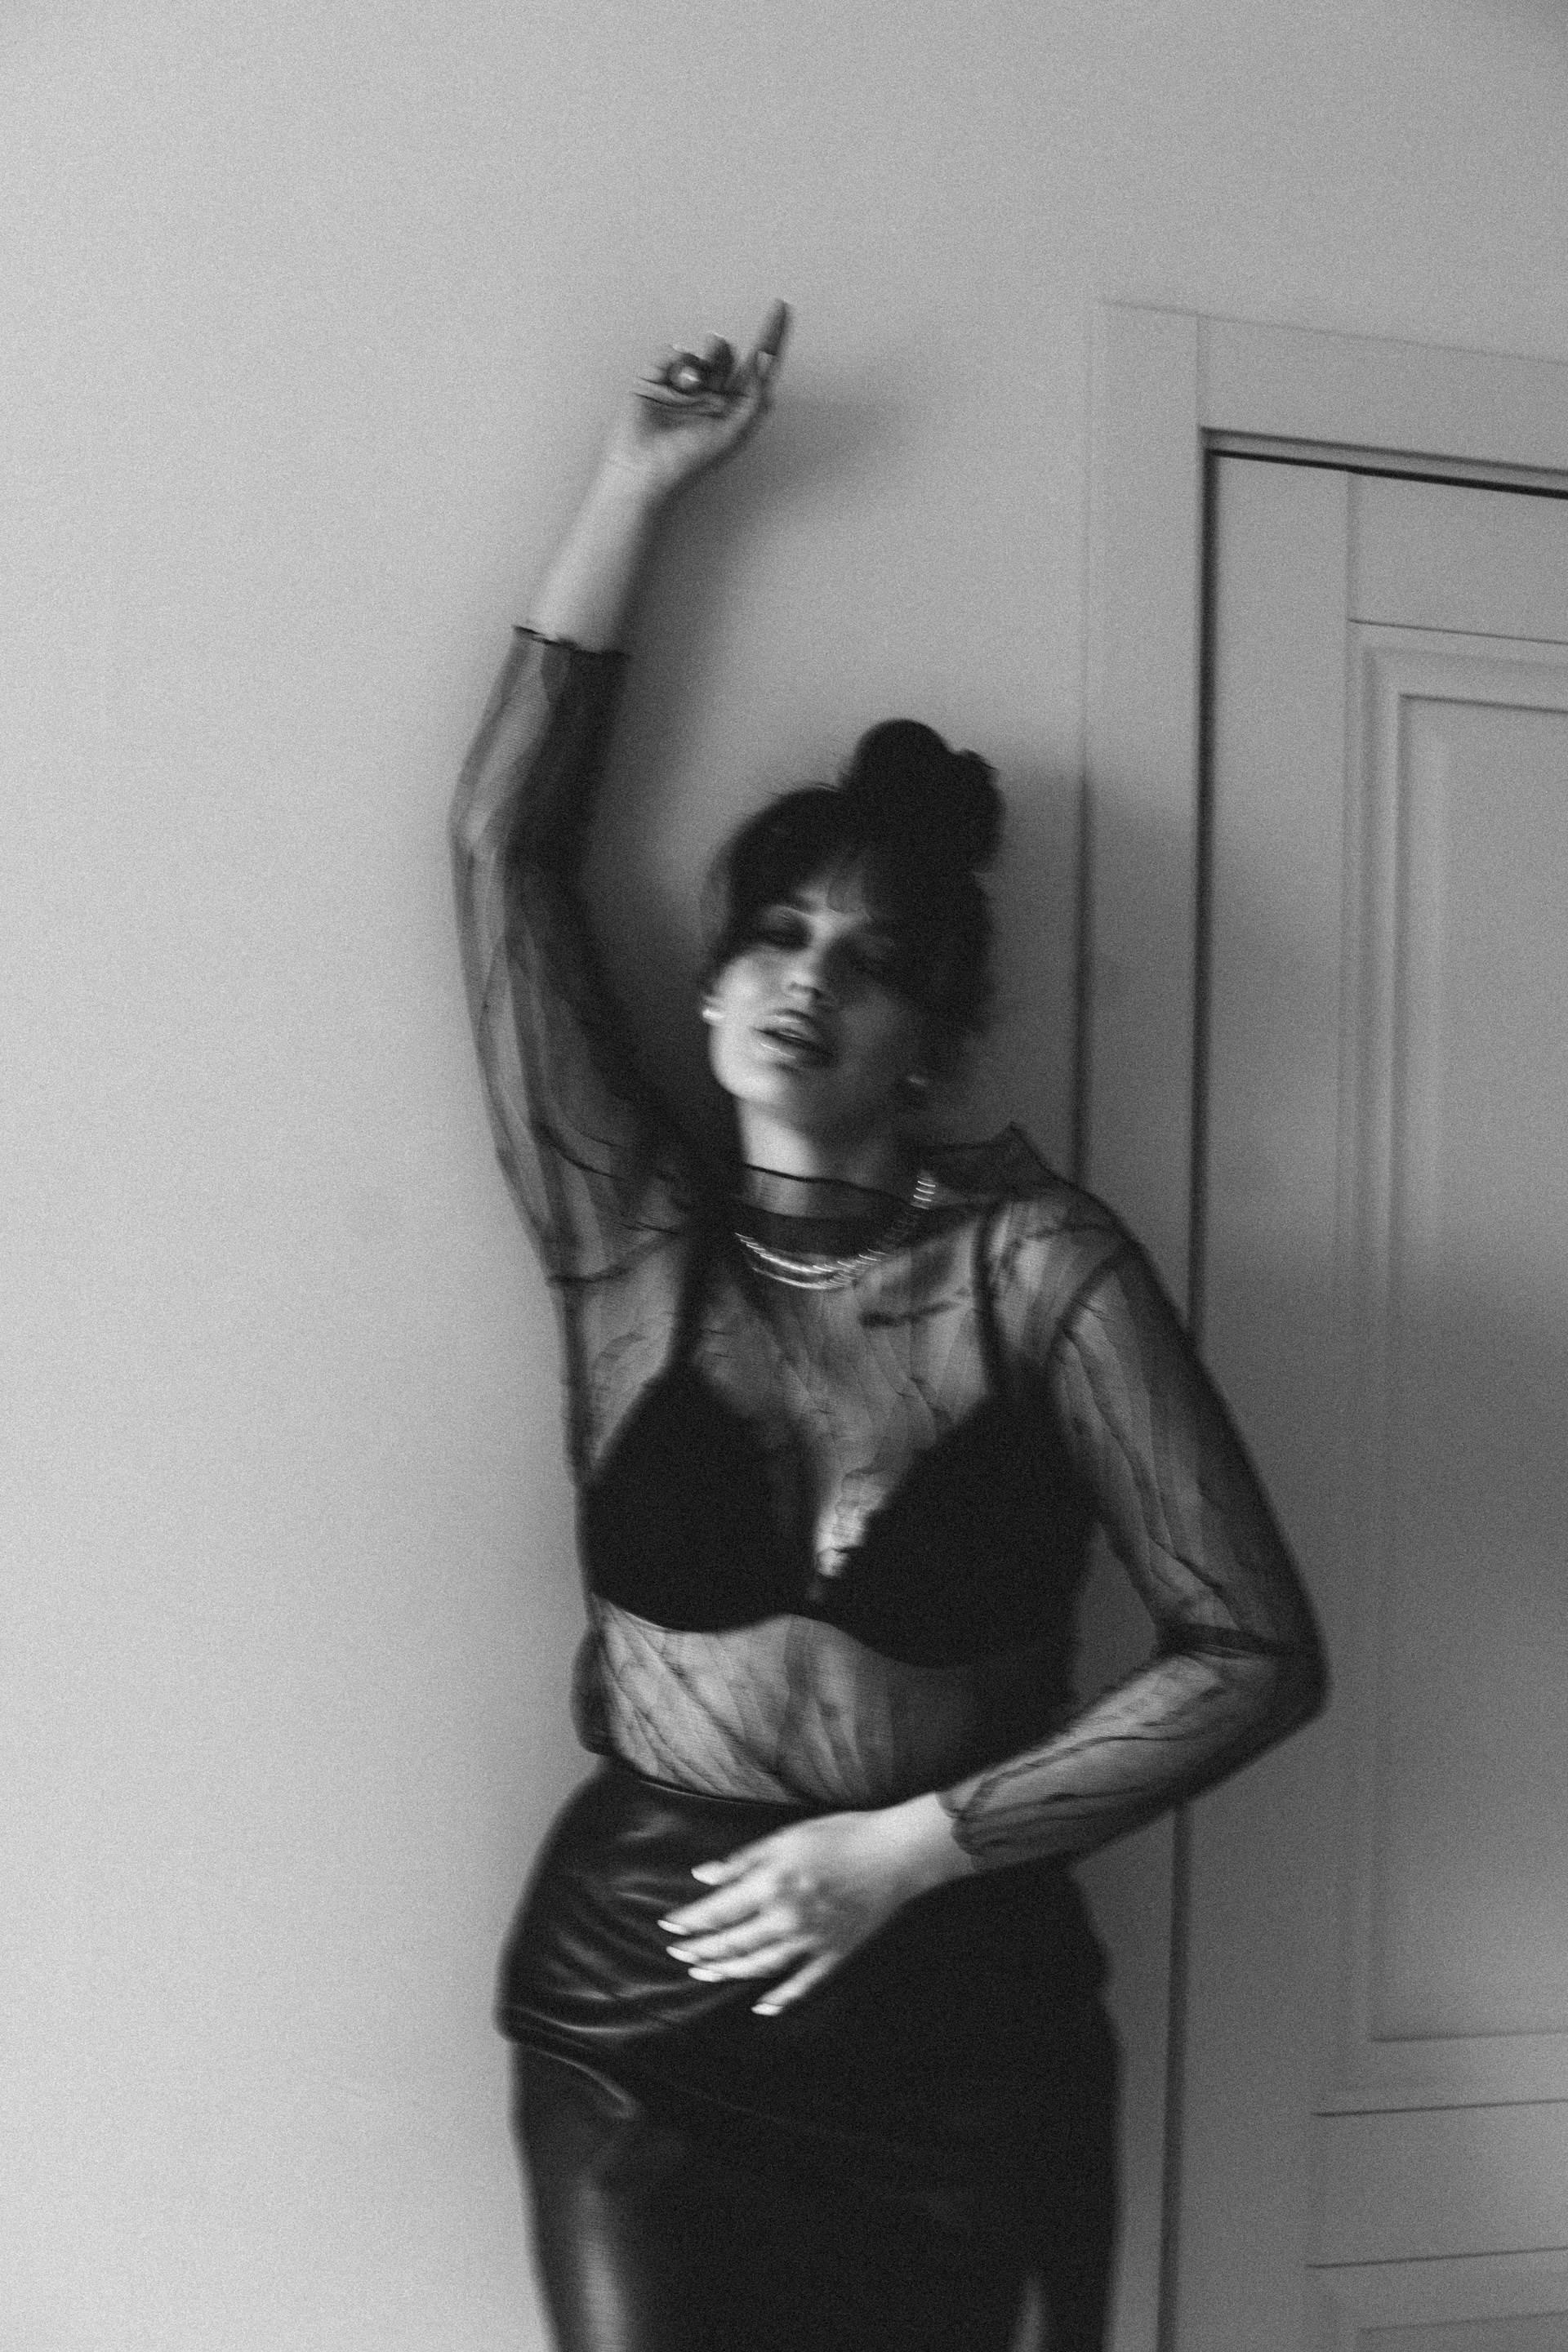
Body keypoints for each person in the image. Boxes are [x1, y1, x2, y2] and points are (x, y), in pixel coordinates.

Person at [448, 302, 1327, 2352]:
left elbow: (1256, 1653)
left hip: (967, 2022)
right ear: (708, 984)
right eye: (775, 930)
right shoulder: (623, 1243)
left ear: (931, 1045)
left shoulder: (1042, 1272)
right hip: (642, 2010)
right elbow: (505, 851)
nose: (806, 980)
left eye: (872, 959)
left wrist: (913, 1850)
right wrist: (637, 488)